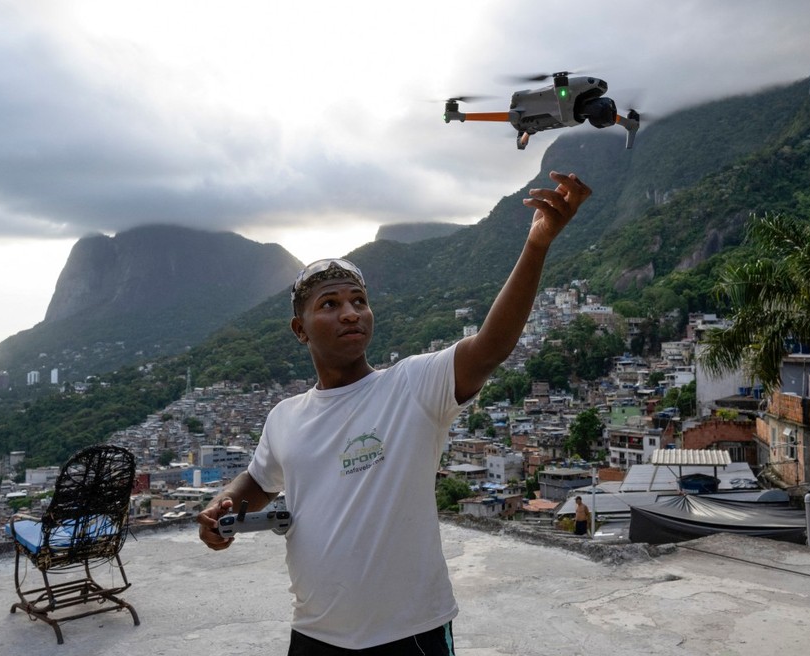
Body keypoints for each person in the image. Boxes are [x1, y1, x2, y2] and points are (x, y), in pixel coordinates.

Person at [197, 171, 593, 654]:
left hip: (411, 633)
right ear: (300, 330)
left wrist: (536, 245)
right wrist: (224, 506)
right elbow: (257, 483)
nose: (350, 313)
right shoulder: (285, 416)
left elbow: (490, 347)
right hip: (315, 632)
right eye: (331, 304)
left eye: (359, 301)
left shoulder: (411, 386)